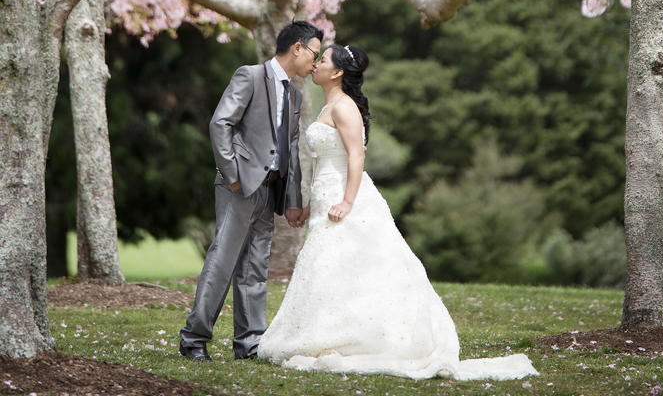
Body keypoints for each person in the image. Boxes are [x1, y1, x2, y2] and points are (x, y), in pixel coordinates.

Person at [257, 43, 538, 382]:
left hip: (347, 198)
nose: (315, 64)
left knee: (343, 263)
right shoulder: (328, 106)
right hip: (326, 196)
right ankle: (334, 330)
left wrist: (347, 202)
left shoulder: (344, 108)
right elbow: (326, 167)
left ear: (337, 73)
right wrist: (308, 206)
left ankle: (361, 337)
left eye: (323, 60)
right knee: (332, 268)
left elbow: (356, 158)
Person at [178, 19, 323, 363]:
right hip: (239, 187)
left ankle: (249, 343)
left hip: (270, 192)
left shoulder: (295, 93)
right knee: (222, 262)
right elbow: (221, 123)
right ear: (297, 47)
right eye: (314, 54)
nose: (315, 63)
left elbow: (290, 148)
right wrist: (232, 176)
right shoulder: (250, 75)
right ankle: (194, 338)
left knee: (255, 268)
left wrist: (292, 199)